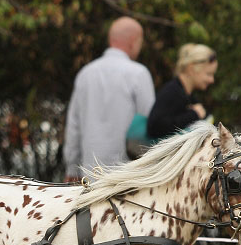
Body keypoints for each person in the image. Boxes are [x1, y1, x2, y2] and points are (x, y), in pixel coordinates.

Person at [63, 17, 155, 181]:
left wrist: (71, 166)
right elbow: (150, 123)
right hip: (128, 175)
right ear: (134, 42)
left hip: (89, 173)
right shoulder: (139, 74)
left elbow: (73, 126)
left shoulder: (86, 74)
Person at [147, 43, 218, 140]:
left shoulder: (186, 95)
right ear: (191, 68)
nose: (212, 80)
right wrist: (193, 114)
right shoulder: (172, 92)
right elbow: (154, 127)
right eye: (209, 74)